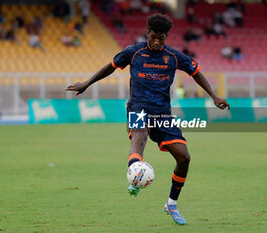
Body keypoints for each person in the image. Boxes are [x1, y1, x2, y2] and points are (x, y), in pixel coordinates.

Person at [66, 14, 229, 225]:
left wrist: (214, 96)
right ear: (147, 32)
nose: (156, 41)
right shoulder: (134, 52)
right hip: (138, 107)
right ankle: (136, 174)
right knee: (139, 138)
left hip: (162, 114)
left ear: (166, 36)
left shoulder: (174, 56)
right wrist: (87, 83)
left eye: (161, 38)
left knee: (184, 157)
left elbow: (196, 72)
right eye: (153, 36)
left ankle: (171, 204)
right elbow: (110, 66)